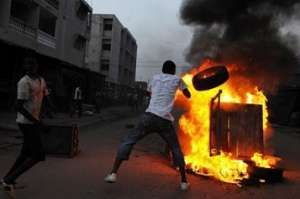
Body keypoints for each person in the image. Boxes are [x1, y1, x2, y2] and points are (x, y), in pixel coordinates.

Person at [104, 60, 191, 191]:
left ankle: (113, 173)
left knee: (128, 141)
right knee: (175, 148)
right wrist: (179, 92)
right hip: (164, 120)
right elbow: (188, 95)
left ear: (162, 70)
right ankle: (184, 182)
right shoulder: (177, 79)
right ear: (173, 70)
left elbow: (149, 93)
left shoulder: (154, 78)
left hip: (148, 117)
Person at [1, 56, 49, 198]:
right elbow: (19, 107)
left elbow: (45, 97)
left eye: (32, 63)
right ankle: (9, 179)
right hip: (26, 123)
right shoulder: (24, 82)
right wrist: (38, 122)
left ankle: (7, 179)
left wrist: (47, 113)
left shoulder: (41, 80)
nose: (30, 66)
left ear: (37, 65)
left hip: (34, 121)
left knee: (26, 153)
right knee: (39, 155)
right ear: (25, 67)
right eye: (28, 64)